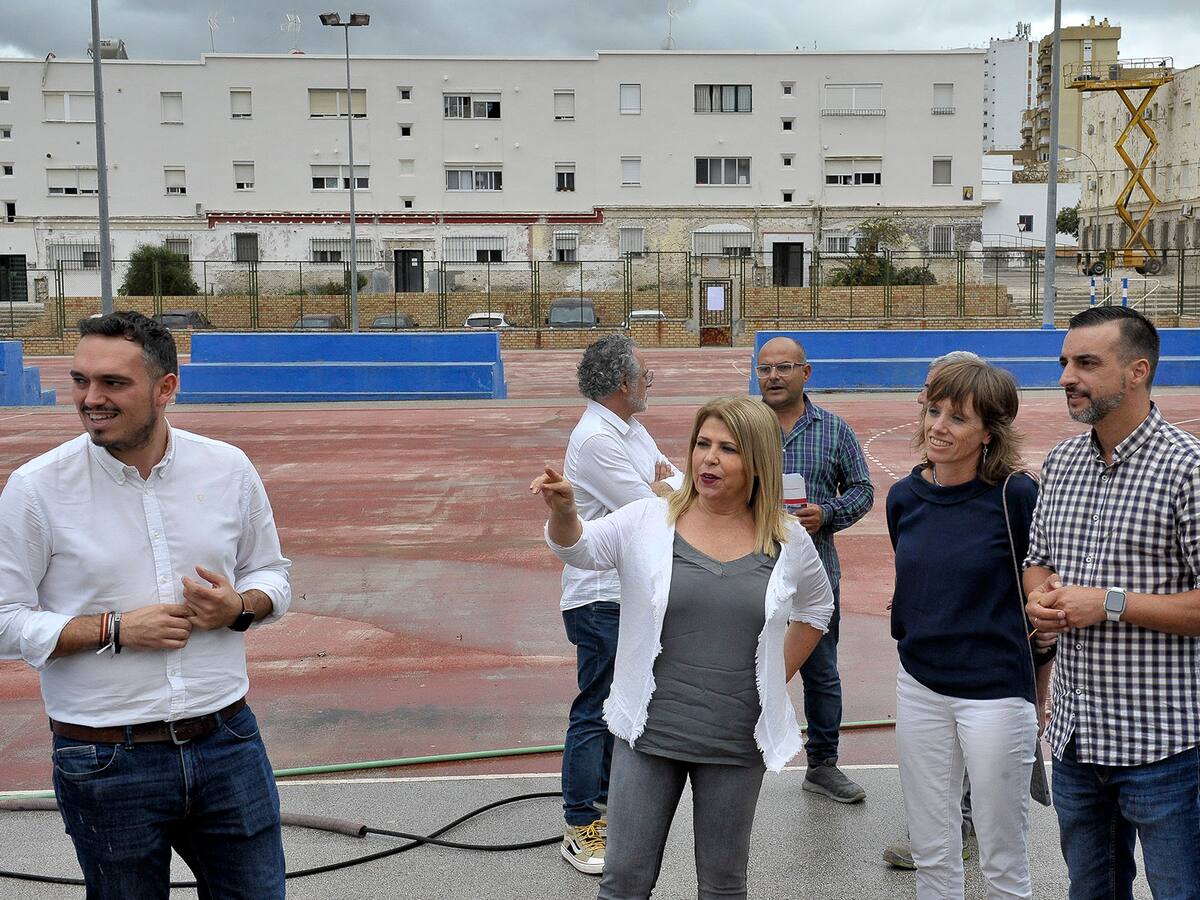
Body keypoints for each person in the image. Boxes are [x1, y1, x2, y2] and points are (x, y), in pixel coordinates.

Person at [0, 311, 291, 898]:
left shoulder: (228, 467)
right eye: (81, 380)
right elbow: (4, 620)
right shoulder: (36, 489)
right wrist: (114, 629)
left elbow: (273, 575)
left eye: (113, 383)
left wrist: (239, 607)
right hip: (103, 757)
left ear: (166, 388)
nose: (91, 399)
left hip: (227, 741)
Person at [532, 395, 834, 900]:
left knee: (722, 884)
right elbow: (579, 548)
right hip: (649, 734)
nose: (708, 459)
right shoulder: (646, 520)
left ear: (757, 461)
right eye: (702, 444)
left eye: (728, 449)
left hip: (737, 740)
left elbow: (816, 609)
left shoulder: (785, 537)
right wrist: (565, 511)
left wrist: (768, 679)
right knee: (624, 879)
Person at [1025, 305, 1200, 899]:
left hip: (1167, 744)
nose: (1067, 376)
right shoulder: (1063, 463)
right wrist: (1041, 599)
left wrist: (1112, 603)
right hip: (1077, 738)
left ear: (1138, 371)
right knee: (1092, 890)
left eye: (1087, 363)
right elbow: (1037, 561)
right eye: (1065, 362)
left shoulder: (1187, 470)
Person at [887, 360, 1052, 899]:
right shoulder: (904, 498)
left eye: (958, 418)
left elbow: (1041, 596)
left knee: (1003, 853)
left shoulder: (1016, 497)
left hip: (996, 694)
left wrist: (1041, 690)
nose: (938, 426)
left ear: (990, 432)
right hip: (920, 688)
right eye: (934, 411)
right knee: (934, 850)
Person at [556, 334, 679, 875]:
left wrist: (667, 489)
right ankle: (581, 820)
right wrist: (665, 491)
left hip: (628, 592)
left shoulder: (631, 428)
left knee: (617, 703)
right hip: (599, 596)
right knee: (596, 706)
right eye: (645, 374)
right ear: (623, 383)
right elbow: (653, 506)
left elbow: (677, 481)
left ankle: (604, 807)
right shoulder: (595, 440)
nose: (651, 381)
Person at [755, 336, 874, 803]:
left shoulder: (834, 430)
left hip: (813, 577)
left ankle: (823, 765)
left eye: (783, 368)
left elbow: (862, 491)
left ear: (807, 373)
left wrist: (826, 514)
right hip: (749, 570)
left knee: (821, 673)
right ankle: (728, 753)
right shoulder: (743, 427)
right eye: (764, 369)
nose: (773, 377)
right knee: (735, 663)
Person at [883, 349, 983, 871]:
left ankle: (962, 830)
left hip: (982, 665)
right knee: (936, 754)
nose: (928, 403)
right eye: (928, 397)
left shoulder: (1010, 494)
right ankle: (943, 832)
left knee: (969, 756)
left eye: (943, 397)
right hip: (923, 658)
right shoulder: (909, 492)